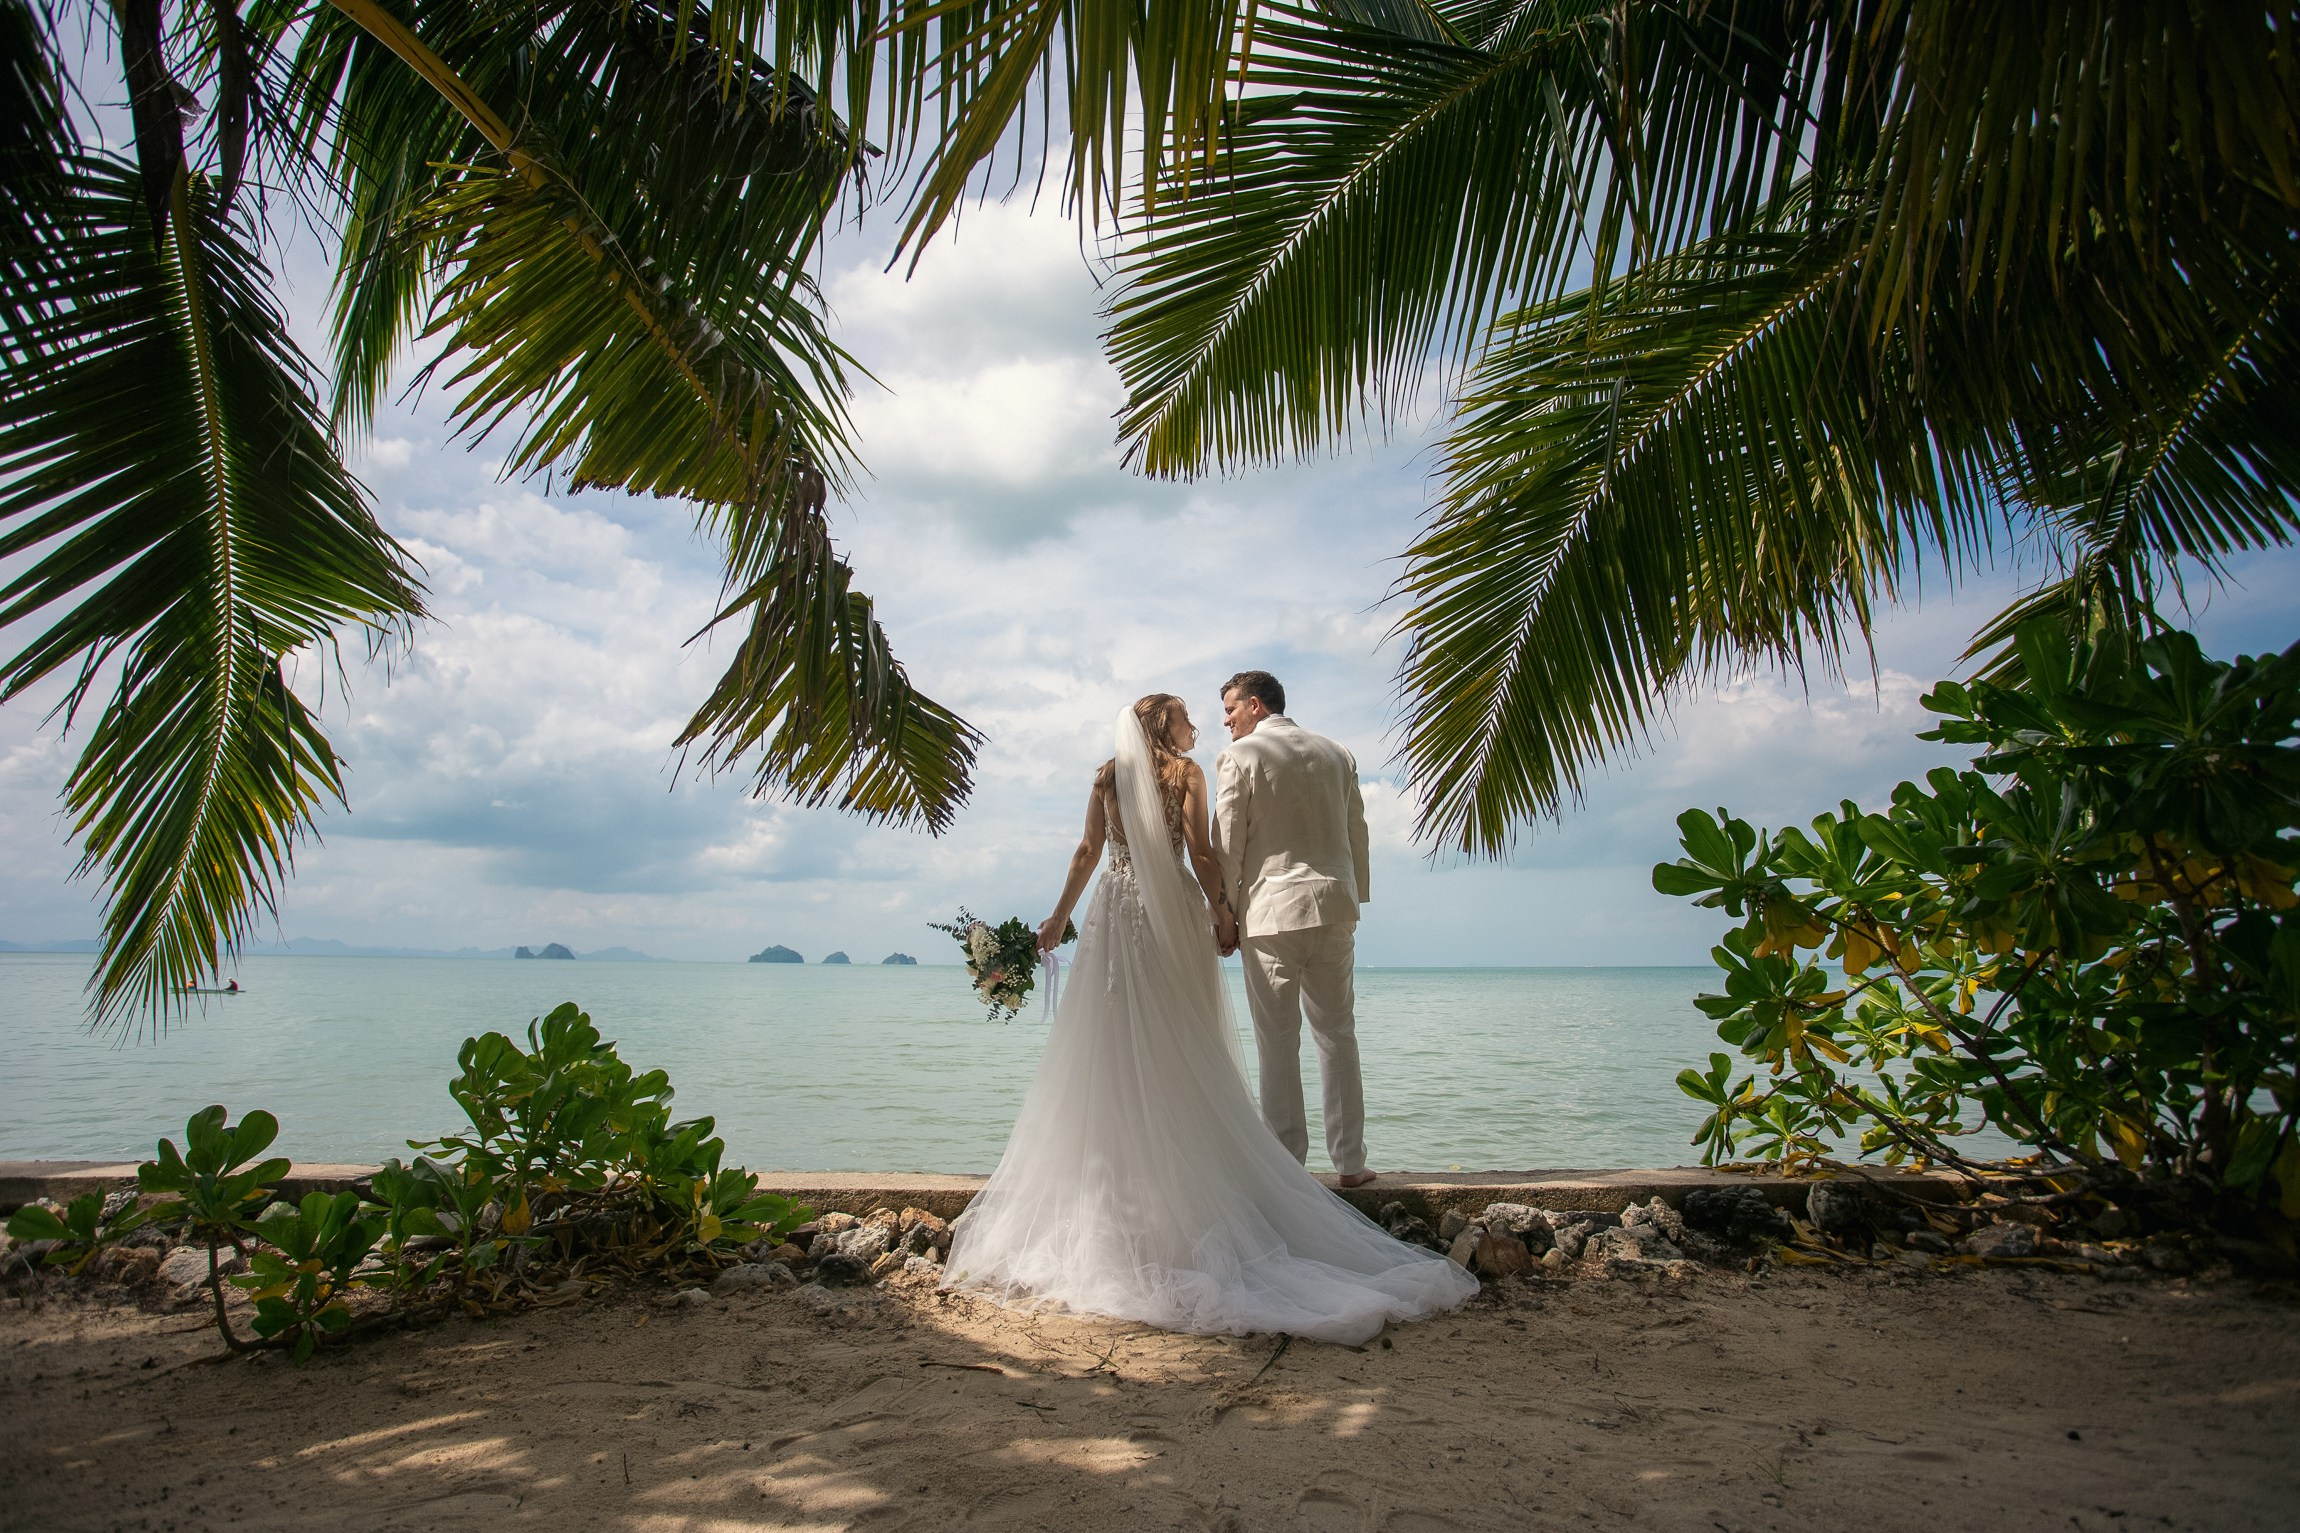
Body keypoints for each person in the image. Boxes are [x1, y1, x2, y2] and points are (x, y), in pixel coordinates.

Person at [941, 695, 1474, 1345]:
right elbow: (1201, 850)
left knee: (1113, 1045)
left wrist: (1057, 919)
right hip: (1190, 911)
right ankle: (1290, 1164)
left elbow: (1087, 850)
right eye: (1187, 715)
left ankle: (1129, 1185)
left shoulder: (1108, 775)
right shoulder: (1194, 773)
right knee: (1194, 1040)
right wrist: (1222, 911)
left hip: (1116, 909)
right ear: (1163, 725)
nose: (1199, 724)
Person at [1210, 670, 1376, 1187]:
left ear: (1256, 706)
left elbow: (1228, 844)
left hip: (1272, 913)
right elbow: (1357, 833)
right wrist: (1355, 895)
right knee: (1338, 1036)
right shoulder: (1337, 752)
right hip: (1334, 907)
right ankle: (1351, 1164)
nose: (1227, 722)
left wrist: (1226, 913)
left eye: (1231, 711)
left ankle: (1286, 1169)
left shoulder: (1240, 757)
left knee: (1277, 1043)